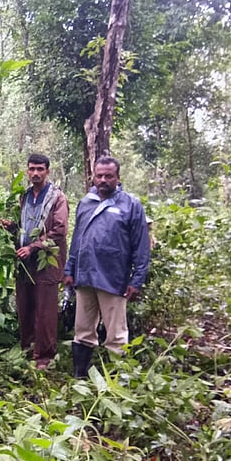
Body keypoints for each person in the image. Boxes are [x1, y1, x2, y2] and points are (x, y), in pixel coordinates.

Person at [64, 156, 150, 378]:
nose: (103, 180)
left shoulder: (130, 205)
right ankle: (80, 377)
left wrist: (137, 279)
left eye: (108, 176)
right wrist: (69, 269)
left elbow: (141, 245)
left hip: (113, 277)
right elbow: (77, 239)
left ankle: (115, 382)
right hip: (84, 275)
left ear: (117, 177)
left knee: (116, 334)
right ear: (93, 176)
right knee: (83, 330)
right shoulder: (86, 202)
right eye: (99, 175)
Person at [0, 153, 69, 370]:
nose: (35, 173)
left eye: (40, 169)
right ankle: (27, 347)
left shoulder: (57, 197)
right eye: (32, 169)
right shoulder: (25, 196)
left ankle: (44, 357)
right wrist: (11, 227)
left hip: (45, 261)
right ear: (27, 171)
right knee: (25, 305)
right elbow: (23, 227)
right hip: (24, 261)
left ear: (47, 171)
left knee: (45, 309)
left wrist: (33, 246)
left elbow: (59, 231)